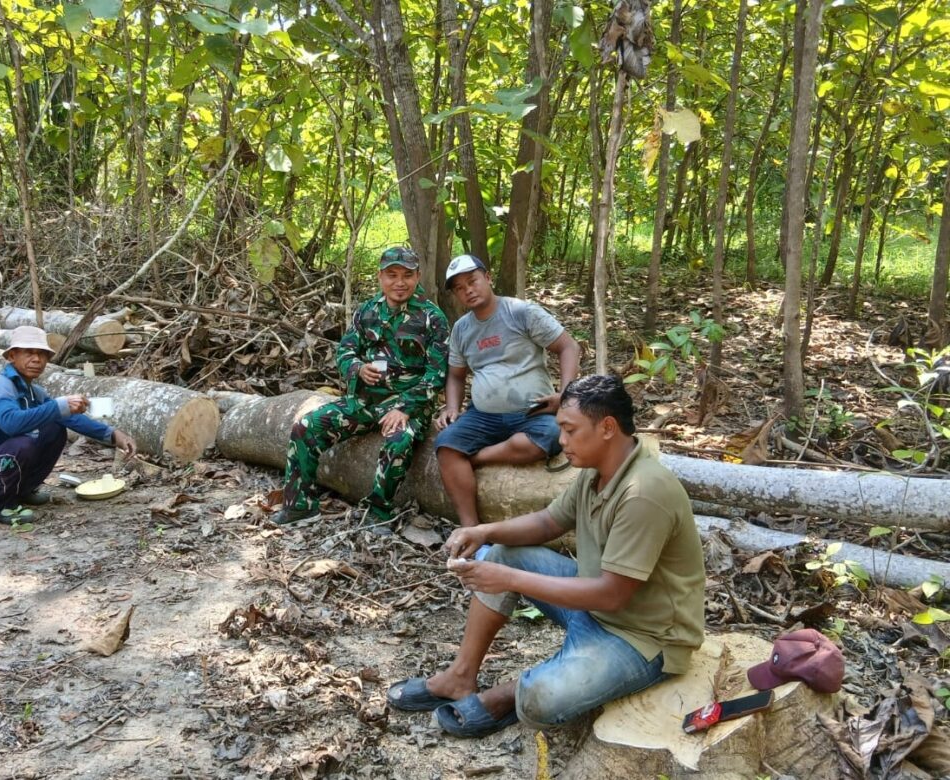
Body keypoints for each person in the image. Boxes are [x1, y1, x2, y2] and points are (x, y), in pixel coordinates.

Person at [387, 374, 704, 738]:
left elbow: (612, 595)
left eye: (570, 430)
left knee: (543, 699)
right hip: (595, 605)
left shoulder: (643, 492)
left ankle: (509, 694)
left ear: (607, 428)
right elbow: (548, 522)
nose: (561, 440)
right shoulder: (598, 471)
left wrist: (509, 579)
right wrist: (484, 531)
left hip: (644, 638)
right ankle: (460, 676)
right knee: (502, 554)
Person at [272, 247, 449, 531]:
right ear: (380, 277)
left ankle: (379, 512)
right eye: (392, 275)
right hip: (365, 401)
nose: (399, 282)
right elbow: (345, 351)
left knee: (399, 441)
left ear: (418, 276)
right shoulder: (368, 311)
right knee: (306, 427)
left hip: (408, 405)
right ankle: (300, 506)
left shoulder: (432, 318)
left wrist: (405, 408)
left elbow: (437, 373)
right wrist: (357, 368)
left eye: (407, 275)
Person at [434, 254, 581, 528]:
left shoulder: (521, 312)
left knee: (549, 436)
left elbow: (568, 347)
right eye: (460, 288)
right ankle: (470, 530)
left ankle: (476, 458)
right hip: (484, 415)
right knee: (446, 445)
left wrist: (565, 395)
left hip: (532, 410)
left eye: (472, 281)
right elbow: (456, 375)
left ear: (488, 278)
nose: (468, 290)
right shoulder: (461, 329)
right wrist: (452, 407)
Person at [0, 326, 137, 522]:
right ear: (12, 356)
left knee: (54, 429)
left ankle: (22, 490)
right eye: (29, 353)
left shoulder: (34, 392)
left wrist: (112, 434)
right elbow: (11, 423)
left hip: (0, 466)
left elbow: (69, 418)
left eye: (42, 354)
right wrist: (59, 405)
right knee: (22, 445)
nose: (36, 359)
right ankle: (1, 507)